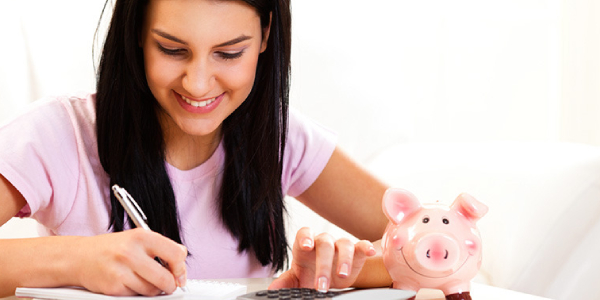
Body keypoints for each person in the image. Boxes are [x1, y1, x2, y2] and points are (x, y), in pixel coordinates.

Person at [0, 0, 391, 297]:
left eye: (229, 53)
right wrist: (75, 260)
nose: (199, 84)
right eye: (172, 49)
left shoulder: (278, 138)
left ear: (266, 34)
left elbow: (434, 246)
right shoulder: (59, 133)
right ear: (137, 32)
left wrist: (334, 272)